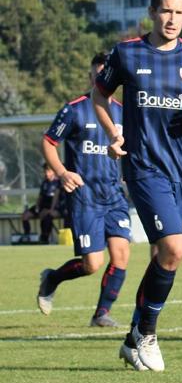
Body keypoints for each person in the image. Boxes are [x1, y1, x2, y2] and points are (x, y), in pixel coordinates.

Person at [93, 0, 182, 371]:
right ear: (152, 11)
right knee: (175, 247)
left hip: (180, 169)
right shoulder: (127, 53)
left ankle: (134, 336)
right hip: (143, 167)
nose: (173, 19)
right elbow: (100, 94)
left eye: (180, 12)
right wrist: (114, 133)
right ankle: (146, 333)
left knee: (168, 255)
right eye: (166, 10)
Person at [36, 53, 131, 328]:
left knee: (122, 254)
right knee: (92, 264)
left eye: (105, 75)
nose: (101, 79)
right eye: (97, 74)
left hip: (113, 194)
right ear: (91, 78)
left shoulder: (123, 111)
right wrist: (63, 172)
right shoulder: (75, 109)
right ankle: (52, 278)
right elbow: (48, 142)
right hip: (85, 196)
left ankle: (101, 313)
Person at [21, 163, 62, 243]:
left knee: (45, 215)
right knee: (25, 216)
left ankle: (44, 237)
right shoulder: (44, 183)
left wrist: (51, 209)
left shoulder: (57, 183)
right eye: (44, 171)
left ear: (53, 171)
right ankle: (27, 236)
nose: (46, 173)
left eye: (48, 171)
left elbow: (56, 197)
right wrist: (37, 206)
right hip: (42, 205)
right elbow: (40, 196)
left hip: (51, 206)